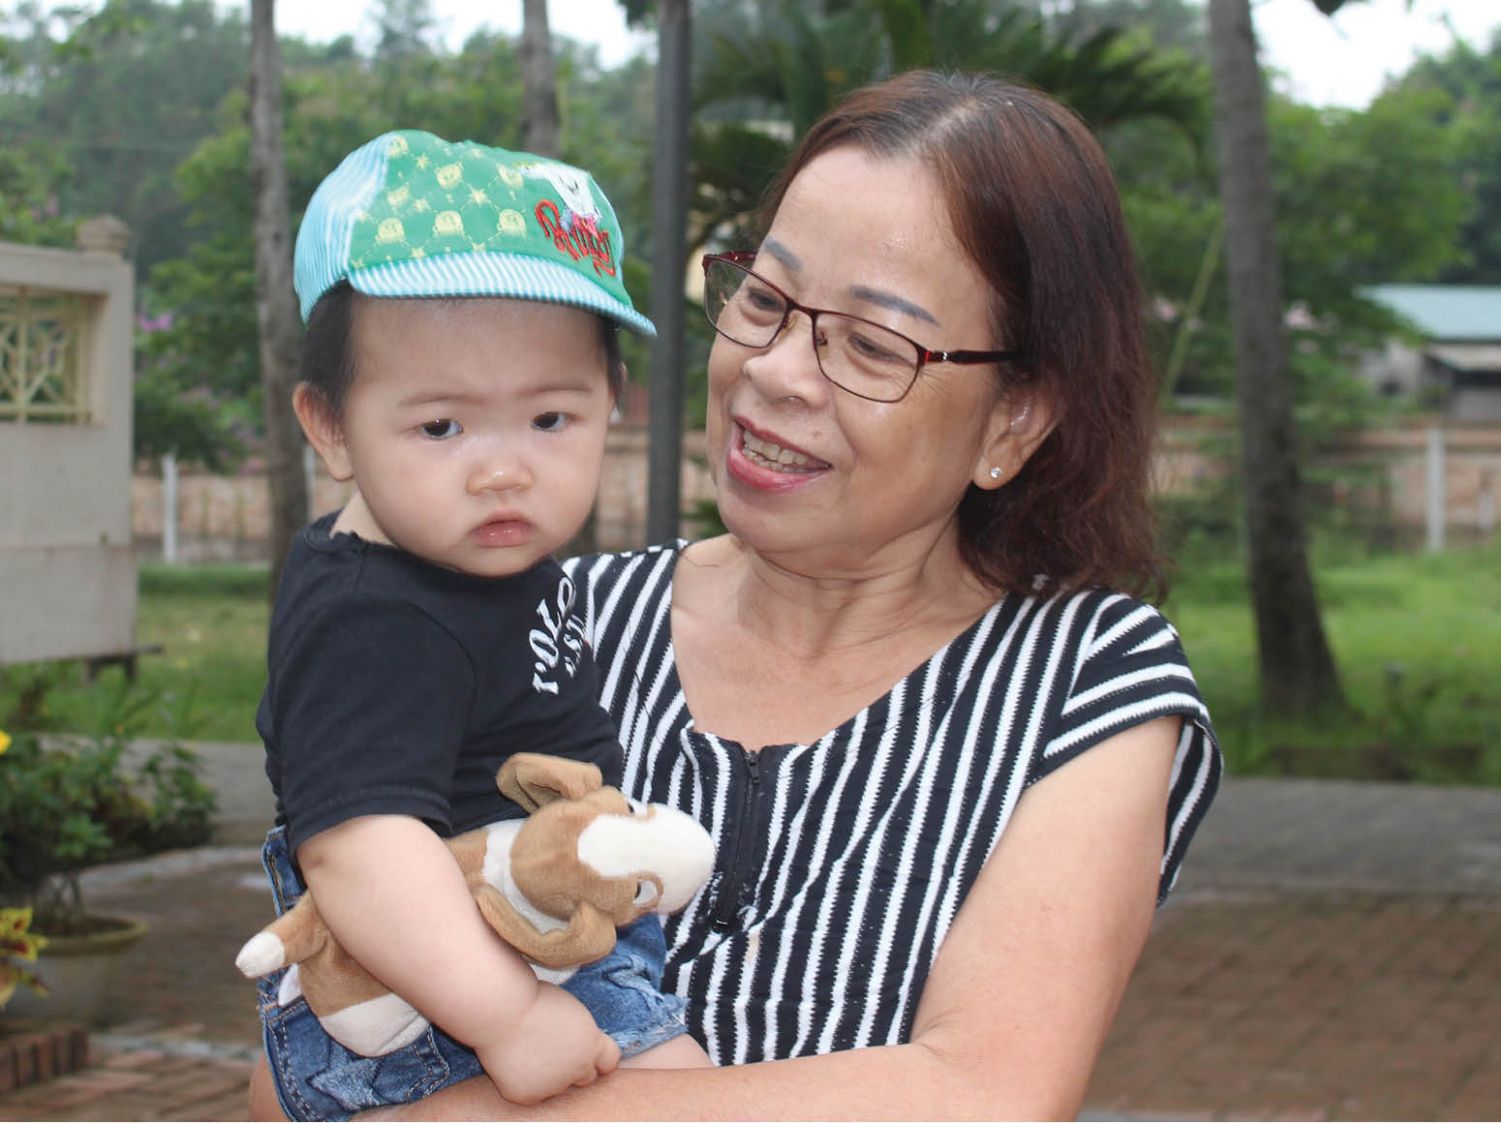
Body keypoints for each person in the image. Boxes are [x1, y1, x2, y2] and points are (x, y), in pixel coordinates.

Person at [250, 69, 1222, 1121]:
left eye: (872, 344)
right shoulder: (548, 619)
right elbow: (300, 1058)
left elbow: (984, 1093)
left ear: (1013, 420)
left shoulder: (1084, 682)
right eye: (764, 298)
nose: (776, 370)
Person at [249, 130, 709, 1122]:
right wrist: (506, 1015)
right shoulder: (373, 616)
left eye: (549, 420)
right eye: (441, 426)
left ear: (610, 403)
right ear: (330, 426)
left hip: (531, 934)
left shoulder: (480, 560)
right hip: (440, 982)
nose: (504, 469)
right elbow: (358, 852)